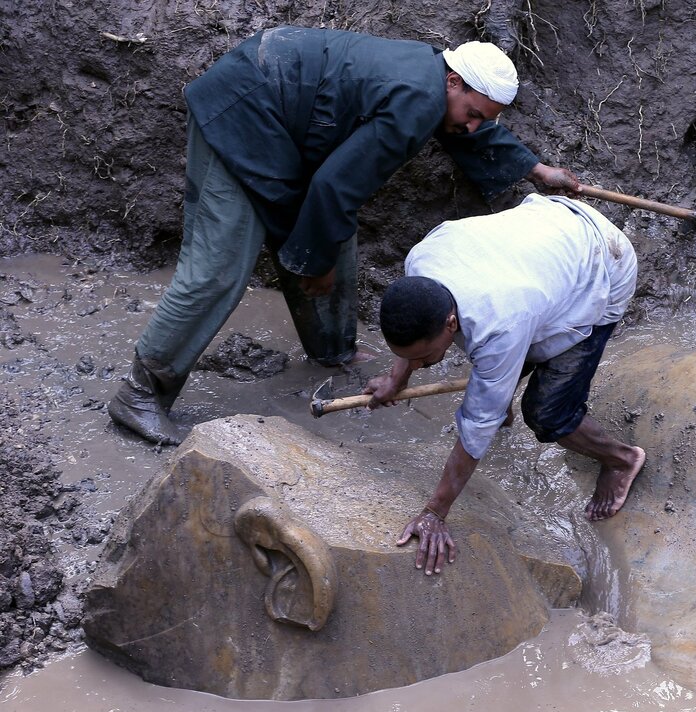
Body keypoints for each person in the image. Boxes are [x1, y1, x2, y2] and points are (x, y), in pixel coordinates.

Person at [109, 26, 581, 445]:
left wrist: (536, 170)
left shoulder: (433, 76)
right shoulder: (419, 100)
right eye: (474, 112)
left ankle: (333, 351)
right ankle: (140, 395)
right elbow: (335, 186)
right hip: (241, 112)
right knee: (218, 268)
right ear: (453, 82)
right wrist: (318, 262)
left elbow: (463, 130)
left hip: (282, 121)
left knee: (330, 233)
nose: (473, 126)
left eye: (485, 119)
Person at [368, 193, 646, 576]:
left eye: (423, 357)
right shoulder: (420, 264)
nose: (418, 365)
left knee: (547, 414)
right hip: (545, 236)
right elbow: (416, 323)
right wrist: (396, 375)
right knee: (497, 367)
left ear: (451, 323)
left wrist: (435, 511)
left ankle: (621, 459)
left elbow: (476, 424)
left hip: (602, 263)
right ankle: (501, 396)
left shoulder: (500, 322)